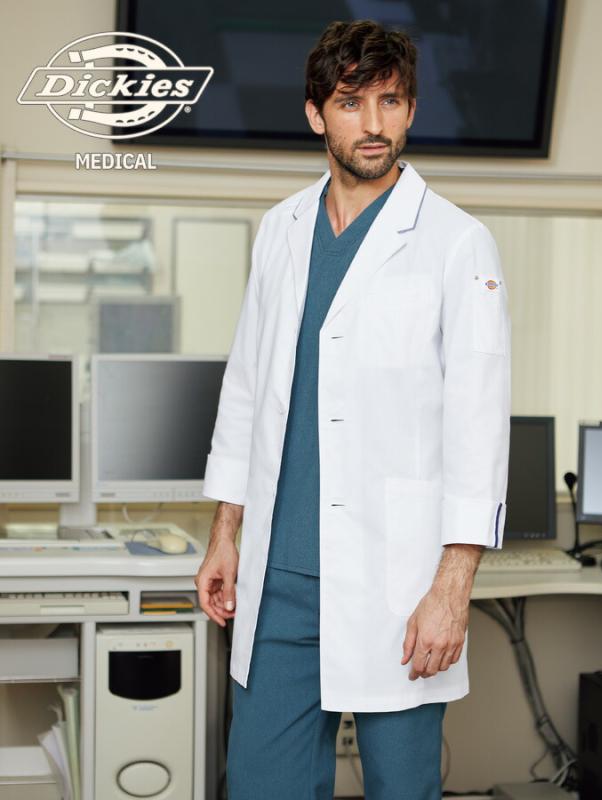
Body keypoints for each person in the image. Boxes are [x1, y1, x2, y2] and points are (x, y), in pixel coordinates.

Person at [195, 18, 511, 800]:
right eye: (350, 102)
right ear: (315, 114)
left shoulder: (456, 242)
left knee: (402, 788)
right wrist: (225, 532)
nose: (373, 123)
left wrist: (452, 591)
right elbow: (247, 389)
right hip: (279, 581)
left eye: (390, 101)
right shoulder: (280, 230)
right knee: (261, 785)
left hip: (396, 582)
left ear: (411, 110)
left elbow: (478, 428)